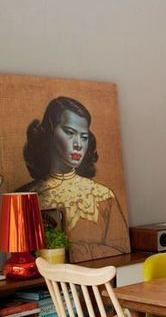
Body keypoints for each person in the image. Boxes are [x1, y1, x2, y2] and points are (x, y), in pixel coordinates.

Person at [18, 96, 129, 262]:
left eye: (84, 137)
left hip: (99, 277)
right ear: (50, 132)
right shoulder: (25, 196)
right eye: (70, 133)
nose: (78, 144)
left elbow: (121, 250)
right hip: (46, 280)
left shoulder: (104, 196)